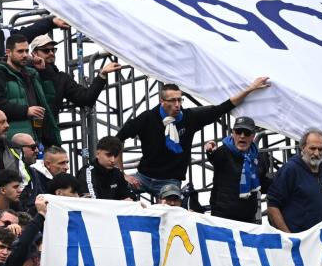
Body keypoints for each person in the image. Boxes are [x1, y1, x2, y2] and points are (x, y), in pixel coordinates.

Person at [116, 78, 270, 197]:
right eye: (173, 100)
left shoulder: (189, 118)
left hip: (170, 181)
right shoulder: (148, 118)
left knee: (171, 210)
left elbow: (223, 107)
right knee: (116, 190)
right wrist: (121, 173)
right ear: (162, 101)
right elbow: (116, 141)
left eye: (179, 99)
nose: (177, 104)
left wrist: (250, 89)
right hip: (143, 177)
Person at [0, 35, 59, 147]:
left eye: (26, 51)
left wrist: (43, 72)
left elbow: (49, 100)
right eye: (20, 51)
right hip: (12, 137)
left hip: (35, 136)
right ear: (8, 52)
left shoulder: (31, 73)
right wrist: (26, 111)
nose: (25, 55)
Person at [207, 116, 271, 223]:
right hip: (223, 217)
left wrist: (283, 181)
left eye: (246, 133)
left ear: (253, 136)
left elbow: (262, 183)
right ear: (233, 133)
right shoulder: (223, 151)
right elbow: (214, 158)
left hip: (248, 218)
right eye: (238, 132)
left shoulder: (259, 157)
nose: (242, 136)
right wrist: (210, 151)